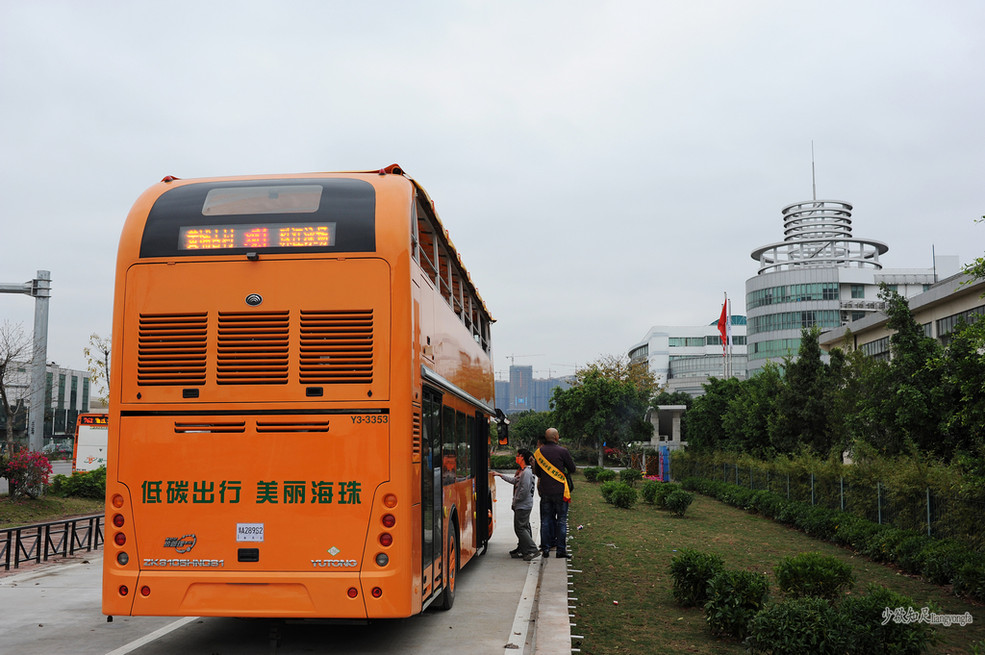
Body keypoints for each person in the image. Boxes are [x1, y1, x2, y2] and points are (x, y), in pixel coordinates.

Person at [532, 427, 576, 559]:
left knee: (545, 520)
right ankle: (560, 550)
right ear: (556, 438)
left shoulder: (539, 452)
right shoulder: (563, 451)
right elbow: (572, 469)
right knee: (561, 521)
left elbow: (538, 473)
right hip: (561, 492)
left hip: (545, 492)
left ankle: (545, 549)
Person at [493, 449, 540, 561]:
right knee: (523, 527)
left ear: (522, 457)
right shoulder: (524, 471)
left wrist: (516, 501)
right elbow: (515, 481)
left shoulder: (526, 473)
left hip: (523, 505)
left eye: (518, 456)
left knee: (520, 528)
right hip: (523, 504)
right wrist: (500, 475)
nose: (516, 457)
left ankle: (532, 549)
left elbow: (523, 491)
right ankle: (522, 549)